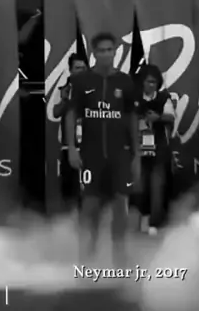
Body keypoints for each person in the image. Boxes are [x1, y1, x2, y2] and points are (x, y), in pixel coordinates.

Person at [65, 32, 140, 267]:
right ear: (94, 53)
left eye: (110, 50)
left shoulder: (125, 82)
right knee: (90, 205)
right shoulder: (81, 81)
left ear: (116, 52)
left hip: (119, 154)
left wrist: (137, 154)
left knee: (120, 205)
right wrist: (72, 148)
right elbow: (70, 115)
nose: (106, 54)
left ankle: (120, 260)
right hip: (91, 154)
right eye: (102, 50)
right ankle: (87, 260)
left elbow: (132, 118)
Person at [134, 64, 176, 235]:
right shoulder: (134, 98)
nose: (151, 85)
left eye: (154, 82)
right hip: (138, 148)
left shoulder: (164, 97)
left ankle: (156, 223)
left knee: (158, 186)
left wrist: (158, 118)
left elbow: (171, 116)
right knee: (140, 187)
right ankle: (141, 221)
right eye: (148, 81)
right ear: (142, 82)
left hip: (159, 149)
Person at [53, 53, 88, 211]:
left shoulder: (95, 88)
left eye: (83, 68)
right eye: (77, 68)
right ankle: (69, 221)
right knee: (69, 191)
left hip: (89, 147)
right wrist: (64, 99)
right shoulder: (63, 89)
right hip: (68, 148)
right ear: (70, 70)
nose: (81, 71)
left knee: (88, 191)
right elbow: (56, 112)